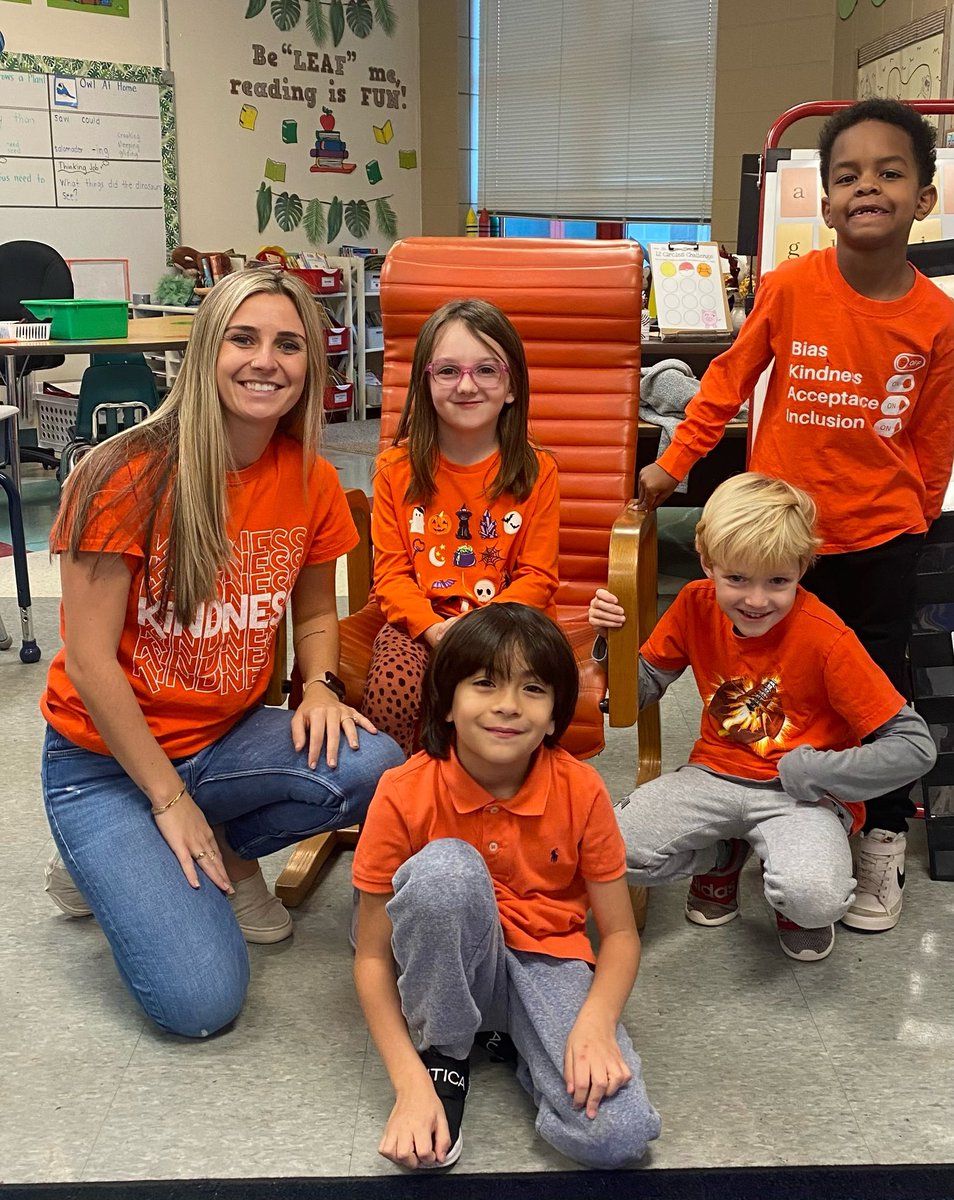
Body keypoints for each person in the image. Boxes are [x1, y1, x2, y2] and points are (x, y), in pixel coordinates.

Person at [40, 269, 403, 1038]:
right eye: (244, 339)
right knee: (203, 1002)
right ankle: (109, 851)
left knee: (374, 763)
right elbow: (91, 664)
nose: (265, 361)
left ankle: (203, 841)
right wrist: (167, 800)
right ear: (208, 350)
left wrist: (319, 687)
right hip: (101, 762)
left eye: (288, 345)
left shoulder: (310, 478)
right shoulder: (120, 475)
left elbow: (315, 609)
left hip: (223, 741)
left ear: (310, 366)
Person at [637, 99, 954, 933]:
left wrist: (916, 520)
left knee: (874, 692)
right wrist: (674, 464)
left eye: (890, 173)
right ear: (826, 203)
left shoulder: (937, 319)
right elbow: (726, 383)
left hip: (878, 542)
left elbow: (934, 436)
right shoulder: (789, 287)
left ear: (924, 198)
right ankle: (739, 810)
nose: (867, 187)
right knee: (765, 679)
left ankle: (880, 832)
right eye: (848, 176)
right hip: (776, 541)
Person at [352, 602, 660, 1171]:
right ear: (446, 703)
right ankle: (445, 1055)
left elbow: (619, 934)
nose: (508, 705)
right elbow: (371, 957)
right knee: (446, 870)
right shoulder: (401, 790)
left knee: (619, 1136)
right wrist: (408, 1081)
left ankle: (508, 1039)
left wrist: (595, 1022)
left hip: (548, 960)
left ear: (554, 716)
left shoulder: (583, 789)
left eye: (533, 689)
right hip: (445, 966)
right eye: (485, 683)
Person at [589, 474, 936, 962]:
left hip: (800, 795)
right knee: (601, 848)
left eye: (777, 581)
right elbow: (640, 691)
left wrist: (815, 771)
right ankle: (723, 854)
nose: (755, 600)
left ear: (802, 569)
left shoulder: (827, 637)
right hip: (712, 775)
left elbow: (915, 746)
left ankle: (789, 891)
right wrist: (613, 644)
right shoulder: (693, 604)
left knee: (814, 898)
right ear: (707, 562)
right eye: (736, 579)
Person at [361, 298, 560, 756]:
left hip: (509, 624)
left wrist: (476, 631)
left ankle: (502, 789)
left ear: (511, 387)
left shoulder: (538, 471)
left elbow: (537, 577)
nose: (466, 385)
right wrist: (434, 630)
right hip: (421, 624)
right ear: (425, 382)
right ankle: (401, 786)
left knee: (516, 696)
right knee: (393, 684)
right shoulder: (394, 469)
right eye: (448, 371)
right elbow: (390, 577)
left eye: (486, 370)